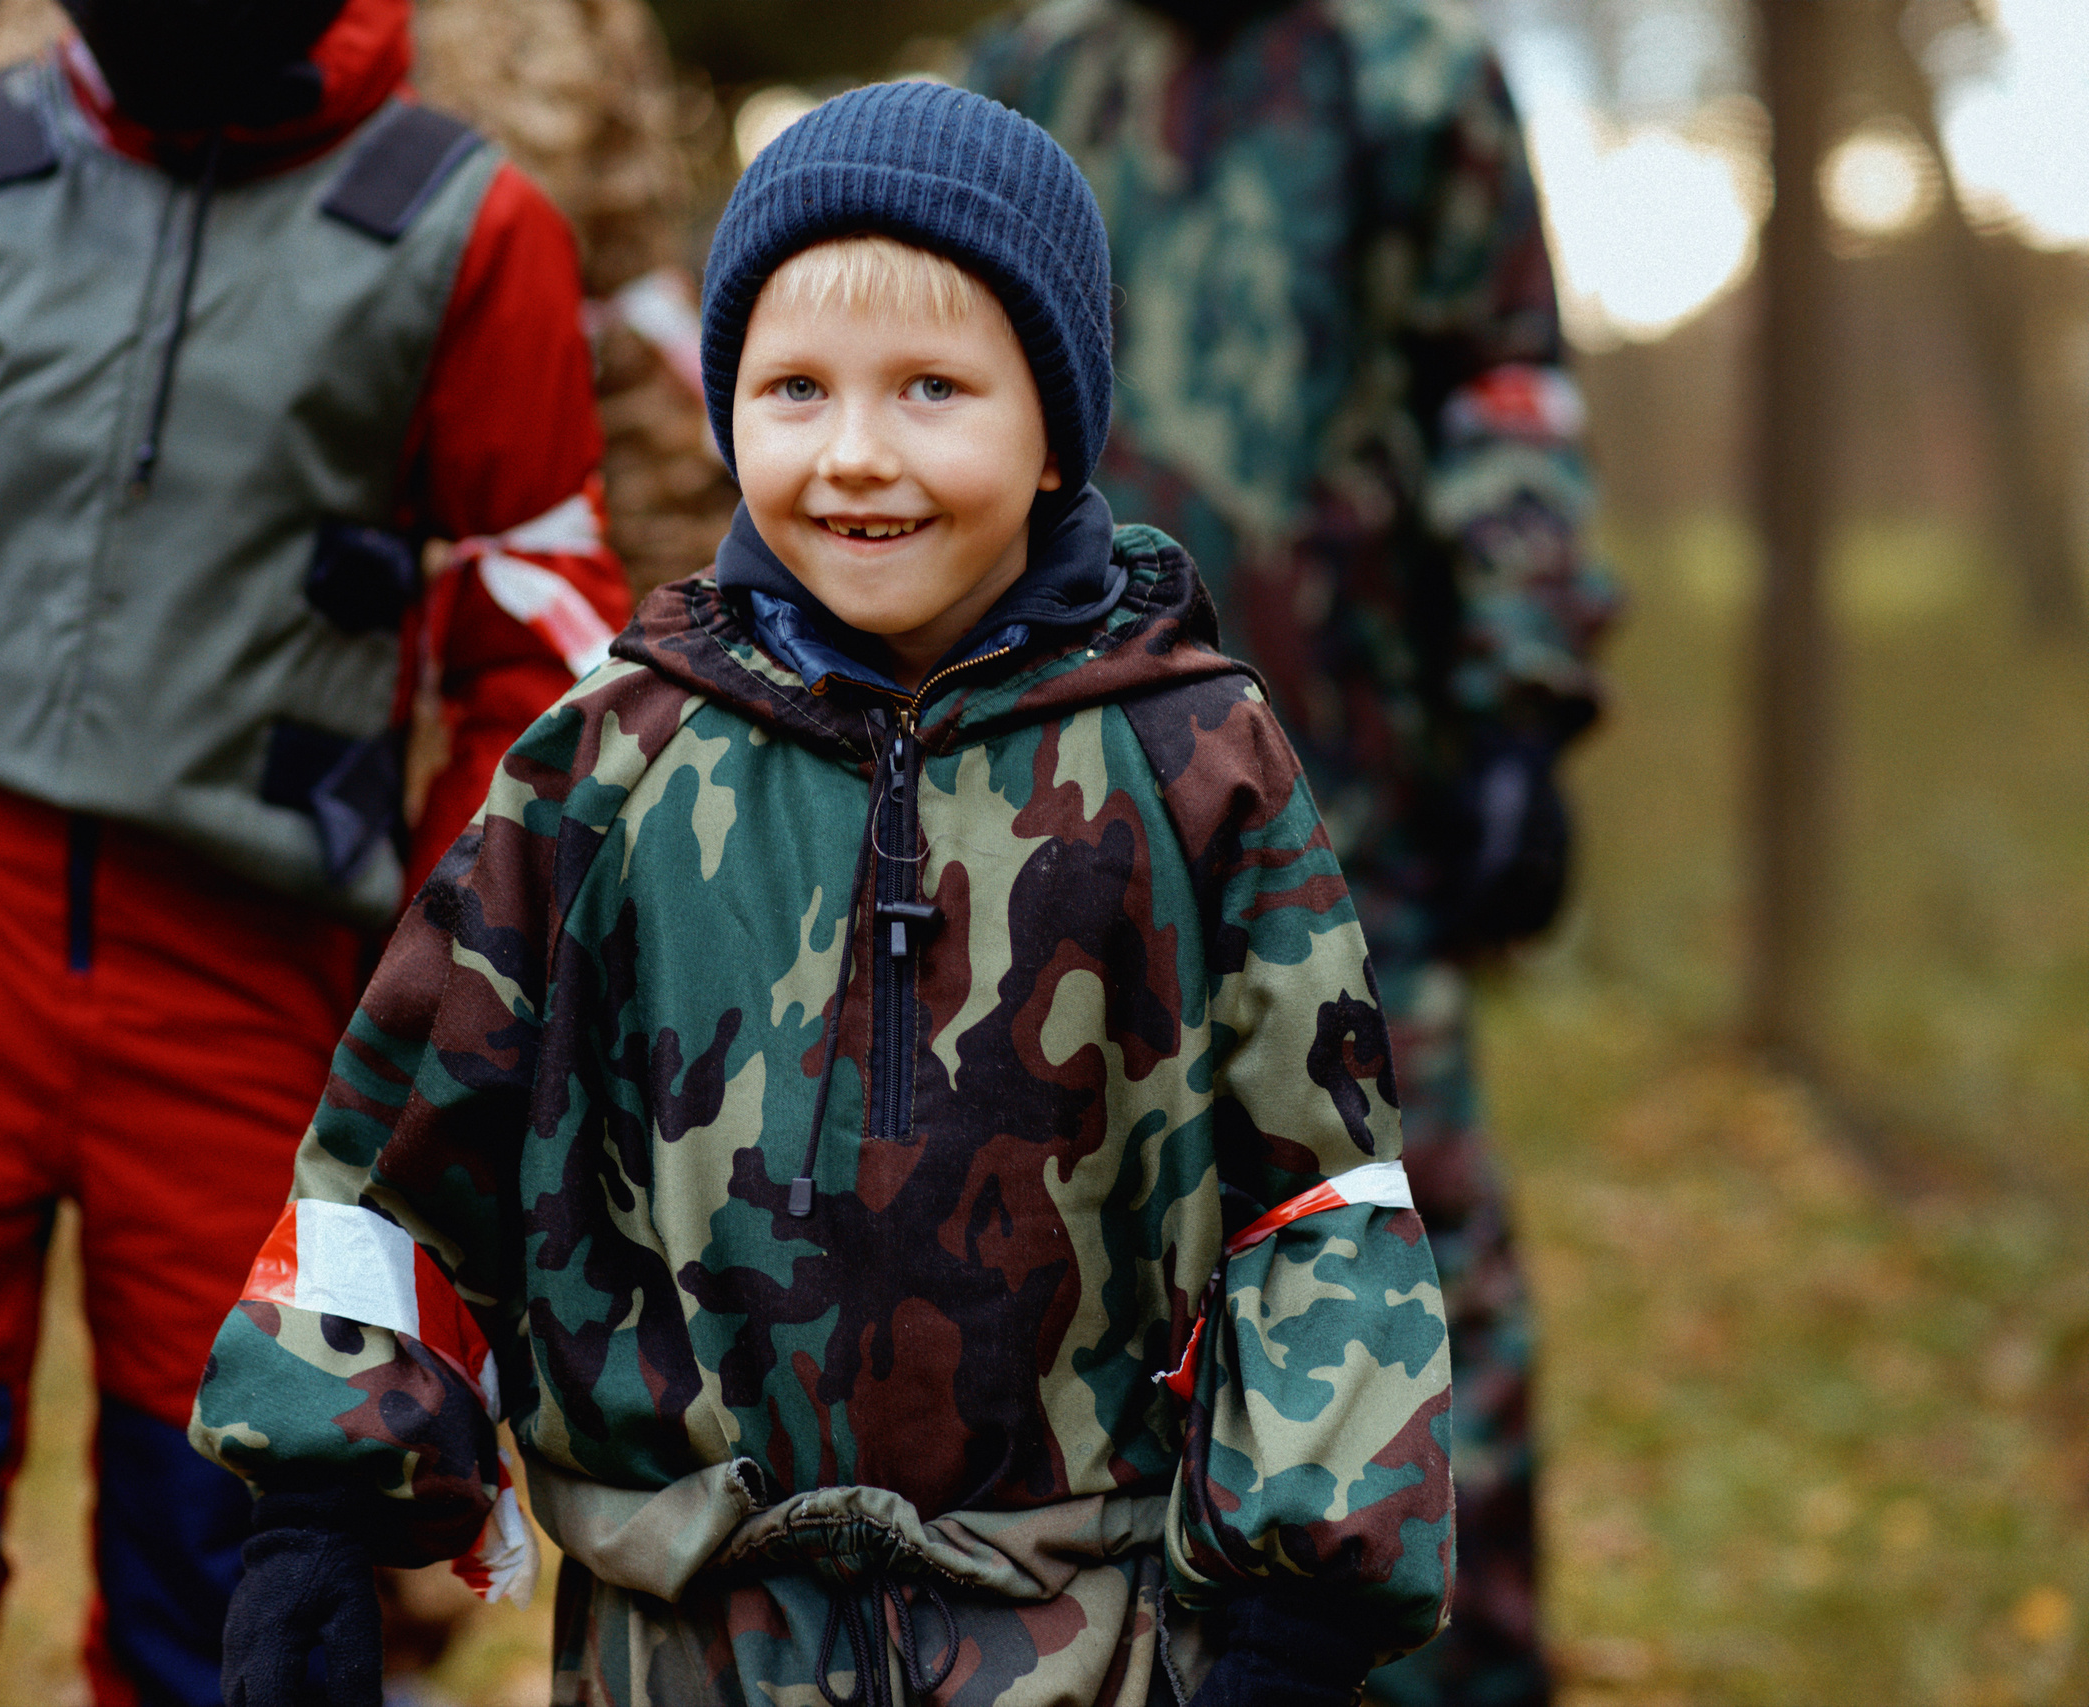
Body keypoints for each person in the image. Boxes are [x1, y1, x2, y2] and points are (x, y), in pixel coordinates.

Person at [190, 80, 1453, 1707]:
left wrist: (1305, 1601)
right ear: (726, 414)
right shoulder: (611, 765)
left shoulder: (1196, 759)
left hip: (1096, 1641)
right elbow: (408, 1153)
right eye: (794, 389)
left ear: (1056, 424)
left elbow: (1318, 1199)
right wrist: (317, 1508)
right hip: (690, 1637)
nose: (855, 455)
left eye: (933, 387)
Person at [0, 0, 629, 1699]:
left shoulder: (465, 228)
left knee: (240, 1568)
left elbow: (529, 674)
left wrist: (450, 1051)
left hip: (252, 979)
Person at [966, 5, 1620, 1701]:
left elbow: (1501, 383)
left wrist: (1523, 708)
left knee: (1400, 1260)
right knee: (1076, 1256)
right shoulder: (1032, 76)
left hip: (1357, 813)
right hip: (1060, 804)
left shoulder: (1411, 76)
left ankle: (1450, 1670)